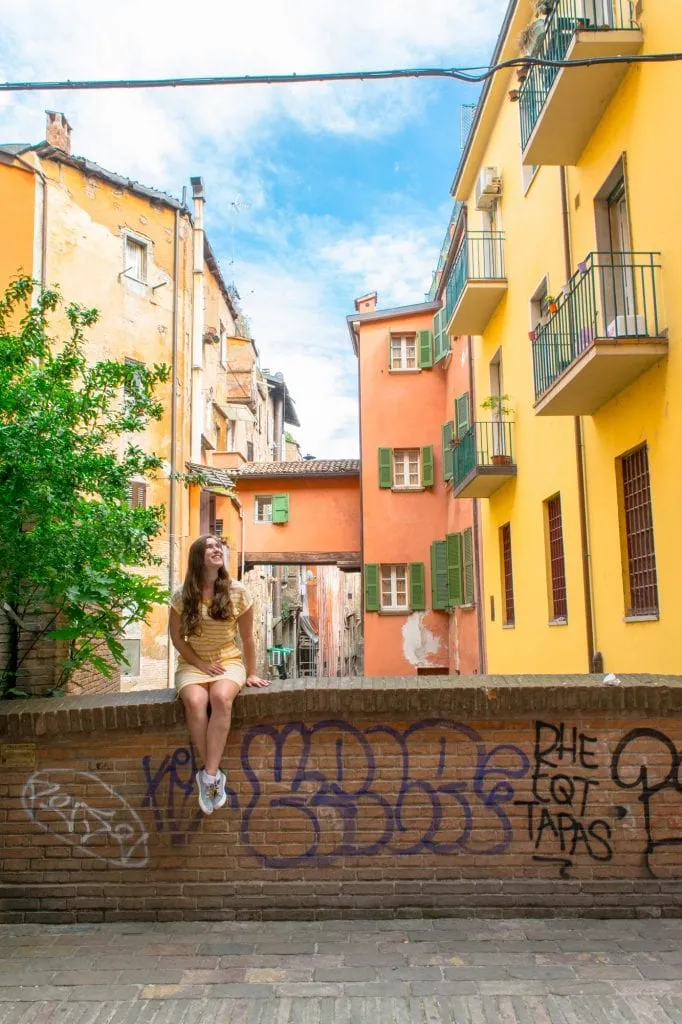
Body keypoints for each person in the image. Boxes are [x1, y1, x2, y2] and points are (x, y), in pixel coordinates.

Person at [169, 534, 269, 814]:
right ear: (198, 557)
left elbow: (247, 638)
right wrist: (200, 664)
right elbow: (178, 640)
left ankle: (209, 776)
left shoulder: (237, 591)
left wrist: (251, 673)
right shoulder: (181, 595)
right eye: (209, 546)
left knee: (222, 698)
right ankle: (212, 776)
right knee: (195, 702)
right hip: (192, 662)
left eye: (218, 546)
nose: (217, 550)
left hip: (228, 660)